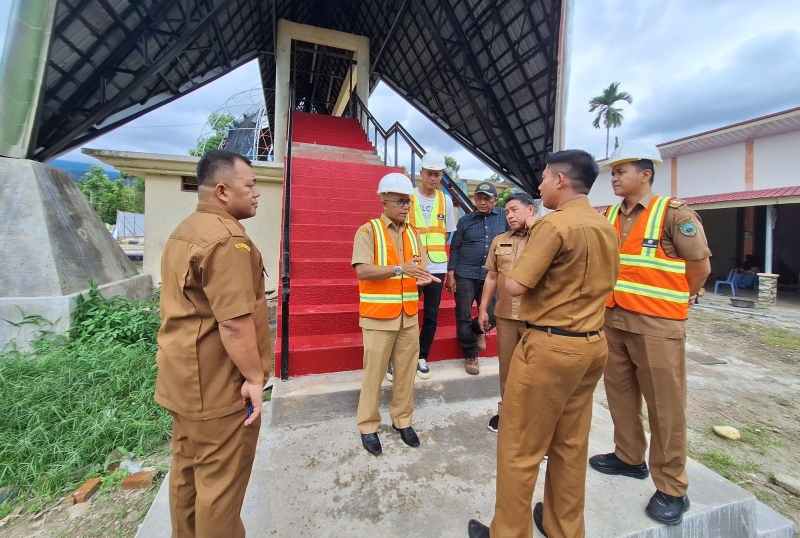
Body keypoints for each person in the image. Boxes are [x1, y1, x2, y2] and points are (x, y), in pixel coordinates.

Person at [468, 150, 619, 538]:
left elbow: (516, 284)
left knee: (520, 447)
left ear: (561, 181)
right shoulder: (605, 225)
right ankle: (563, 528)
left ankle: (508, 532)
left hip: (551, 347)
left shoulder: (552, 227)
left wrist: (509, 271)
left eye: (544, 178)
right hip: (591, 344)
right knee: (570, 445)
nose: (540, 185)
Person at [589, 147, 711, 526]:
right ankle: (628, 458)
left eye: (621, 170)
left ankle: (673, 487)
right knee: (620, 394)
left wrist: (682, 296)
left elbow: (700, 266)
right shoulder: (608, 215)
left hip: (658, 325)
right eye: (612, 172)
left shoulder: (674, 214)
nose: (613, 177)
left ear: (645, 173)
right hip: (615, 320)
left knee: (665, 406)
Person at [155, 150, 271, 538]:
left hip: (181, 382)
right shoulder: (229, 242)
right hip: (218, 389)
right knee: (220, 490)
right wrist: (255, 378)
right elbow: (236, 324)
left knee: (186, 476)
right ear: (223, 191)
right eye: (250, 186)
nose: (257, 194)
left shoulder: (186, 229)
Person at [351, 172, 440, 456]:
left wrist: (423, 277)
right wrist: (401, 269)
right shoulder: (368, 231)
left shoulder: (414, 234)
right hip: (378, 317)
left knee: (405, 373)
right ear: (384, 200)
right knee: (373, 376)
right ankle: (368, 426)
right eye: (400, 201)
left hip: (408, 316)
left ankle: (403, 420)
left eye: (408, 202)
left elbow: (419, 268)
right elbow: (362, 270)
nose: (406, 207)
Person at [478, 192, 537, 433]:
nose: (510, 215)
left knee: (535, 371)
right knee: (507, 370)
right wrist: (483, 309)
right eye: (507, 211)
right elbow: (491, 276)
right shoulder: (500, 240)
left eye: (515, 210)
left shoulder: (545, 238)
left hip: (536, 317)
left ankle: (533, 423)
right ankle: (508, 416)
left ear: (530, 210)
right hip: (505, 316)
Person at [405, 152, 457, 379]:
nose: (434, 178)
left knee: (431, 315)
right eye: (430, 174)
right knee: (406, 312)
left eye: (438, 175)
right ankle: (401, 356)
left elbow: (447, 234)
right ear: (421, 174)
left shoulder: (445, 200)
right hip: (413, 266)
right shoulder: (408, 196)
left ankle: (421, 356)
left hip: (437, 267)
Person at [447, 181, 507, 375]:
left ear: (495, 200)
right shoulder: (465, 221)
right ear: (474, 199)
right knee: (463, 314)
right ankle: (470, 354)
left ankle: (478, 330)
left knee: (493, 313)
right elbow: (455, 247)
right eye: (479, 198)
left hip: (491, 274)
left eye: (487, 198)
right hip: (465, 274)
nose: (482, 202)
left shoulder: (503, 218)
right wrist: (451, 273)